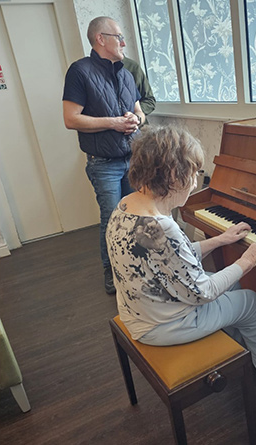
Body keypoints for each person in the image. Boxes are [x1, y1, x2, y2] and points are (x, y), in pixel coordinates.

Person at [106, 126, 256, 392]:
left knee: (232, 286)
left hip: (143, 311)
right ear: (173, 175)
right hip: (164, 325)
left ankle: (245, 347)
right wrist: (247, 260)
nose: (196, 182)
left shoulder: (127, 205)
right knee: (250, 301)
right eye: (194, 173)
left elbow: (171, 261)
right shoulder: (160, 226)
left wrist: (219, 240)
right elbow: (202, 292)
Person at [62, 16, 145, 294]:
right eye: (118, 36)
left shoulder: (126, 73)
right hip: (104, 165)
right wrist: (114, 122)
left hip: (132, 159)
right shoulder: (79, 71)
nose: (123, 42)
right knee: (112, 220)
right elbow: (71, 119)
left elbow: (138, 110)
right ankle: (111, 274)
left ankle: (134, 267)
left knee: (134, 216)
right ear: (101, 39)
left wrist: (136, 120)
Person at [121, 57, 155, 127]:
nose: (123, 45)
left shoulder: (132, 67)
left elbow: (149, 100)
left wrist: (134, 116)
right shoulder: (93, 72)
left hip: (138, 130)